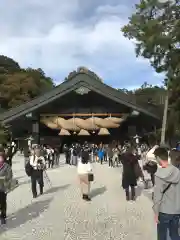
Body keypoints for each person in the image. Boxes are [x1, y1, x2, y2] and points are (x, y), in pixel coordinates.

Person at [153, 146, 180, 240]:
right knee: (175, 235)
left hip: (164, 211)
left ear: (158, 158)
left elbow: (157, 196)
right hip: (176, 210)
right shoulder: (177, 171)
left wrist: (156, 213)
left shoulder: (159, 174)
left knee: (162, 236)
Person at [0, 152, 13, 224]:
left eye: (0, 157)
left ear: (3, 158)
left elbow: (10, 176)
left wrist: (3, 178)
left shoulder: (7, 166)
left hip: (3, 187)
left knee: (3, 202)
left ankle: (3, 216)